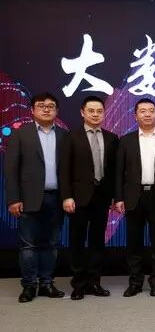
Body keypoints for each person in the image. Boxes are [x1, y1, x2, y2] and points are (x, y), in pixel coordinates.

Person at [5, 92, 67, 303]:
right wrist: (13, 198)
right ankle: (29, 286)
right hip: (28, 199)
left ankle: (47, 283)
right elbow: (11, 169)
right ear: (32, 110)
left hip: (56, 198)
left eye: (51, 106)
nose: (46, 109)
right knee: (28, 246)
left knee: (51, 244)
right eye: (41, 105)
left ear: (56, 111)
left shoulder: (64, 135)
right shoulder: (21, 134)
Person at [115, 98, 155, 297]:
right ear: (135, 116)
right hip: (134, 197)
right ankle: (135, 282)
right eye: (143, 111)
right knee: (134, 243)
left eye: (151, 110)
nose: (148, 114)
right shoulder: (126, 140)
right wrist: (119, 198)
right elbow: (119, 172)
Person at [59, 95, 119, 300]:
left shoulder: (112, 138)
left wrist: (114, 196)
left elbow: (114, 171)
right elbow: (64, 169)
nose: (95, 114)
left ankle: (94, 282)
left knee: (97, 241)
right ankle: (78, 284)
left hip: (102, 197)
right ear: (82, 112)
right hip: (78, 198)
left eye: (99, 111)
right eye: (91, 111)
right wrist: (66, 196)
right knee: (76, 240)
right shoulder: (71, 136)